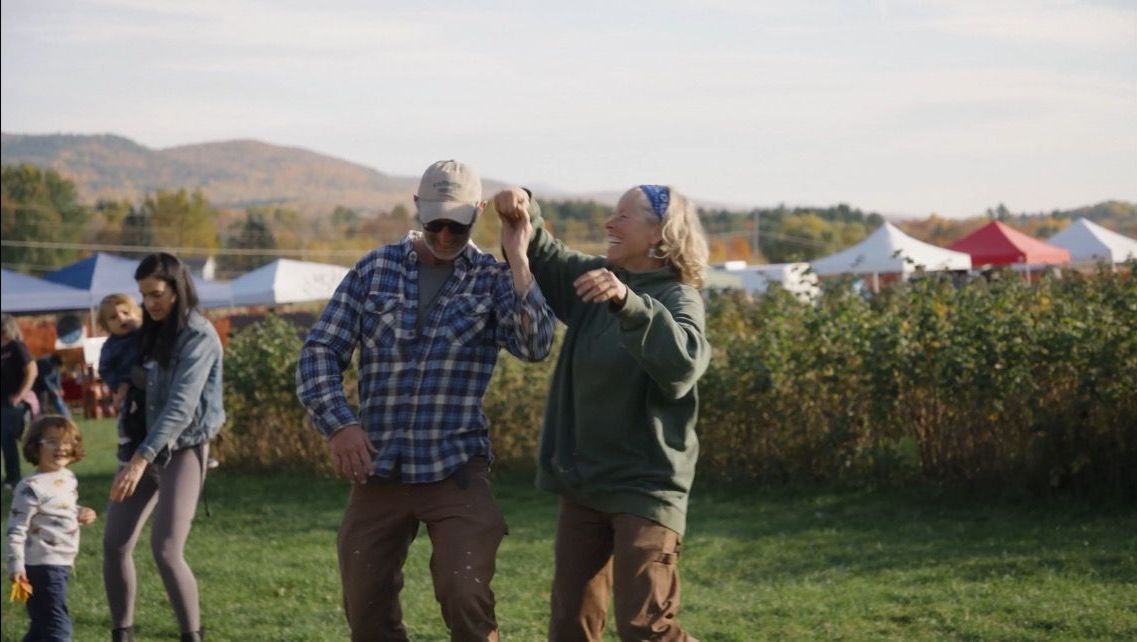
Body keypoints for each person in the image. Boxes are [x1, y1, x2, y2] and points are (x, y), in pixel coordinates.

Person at [297, 159, 556, 642]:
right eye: (433, 223)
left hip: (455, 468)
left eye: (455, 226)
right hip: (379, 467)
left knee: (465, 593)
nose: (442, 236)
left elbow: (535, 345)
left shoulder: (492, 279)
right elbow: (319, 351)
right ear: (416, 207)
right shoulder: (374, 269)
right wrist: (340, 425)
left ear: (477, 213)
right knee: (365, 605)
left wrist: (519, 258)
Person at [494, 184, 711, 641]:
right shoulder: (596, 277)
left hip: (645, 488)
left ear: (660, 233)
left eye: (623, 217)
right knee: (571, 626)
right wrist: (522, 203)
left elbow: (684, 363)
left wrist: (627, 304)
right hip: (585, 486)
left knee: (646, 629)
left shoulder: (679, 297)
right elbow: (544, 251)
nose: (609, 225)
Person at [102, 253, 224, 642]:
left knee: (166, 548)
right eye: (144, 296)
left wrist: (139, 461)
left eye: (157, 293)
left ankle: (193, 636)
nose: (150, 303)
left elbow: (181, 407)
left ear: (177, 287)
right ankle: (121, 634)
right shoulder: (149, 332)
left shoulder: (199, 336)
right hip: (143, 447)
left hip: (183, 449)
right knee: (114, 542)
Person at [6, 415, 99, 641]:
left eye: (67, 442)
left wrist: (80, 512)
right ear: (35, 447)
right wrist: (16, 566)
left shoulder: (67, 478)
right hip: (41, 566)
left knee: (41, 626)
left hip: (61, 563)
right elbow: (16, 530)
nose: (61, 447)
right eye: (52, 441)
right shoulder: (30, 488)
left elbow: (61, 507)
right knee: (57, 627)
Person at [96, 293, 146, 461]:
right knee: (127, 420)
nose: (121, 319)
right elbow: (104, 369)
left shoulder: (144, 335)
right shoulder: (110, 346)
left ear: (137, 314)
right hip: (127, 390)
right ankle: (127, 447)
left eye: (126, 313)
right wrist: (118, 385)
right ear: (106, 325)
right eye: (113, 317)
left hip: (149, 386)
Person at [2, 313, 38, 491]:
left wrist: (20, 395)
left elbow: (31, 370)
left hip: (13, 402)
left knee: (7, 438)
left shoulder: (16, 347)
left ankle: (14, 478)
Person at [34, 355, 72, 419]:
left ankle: (67, 419)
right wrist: (53, 390)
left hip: (51, 386)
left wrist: (59, 388)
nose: (56, 368)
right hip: (40, 387)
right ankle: (42, 422)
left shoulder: (57, 366)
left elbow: (57, 377)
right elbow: (43, 379)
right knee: (42, 406)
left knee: (59, 403)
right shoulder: (43, 363)